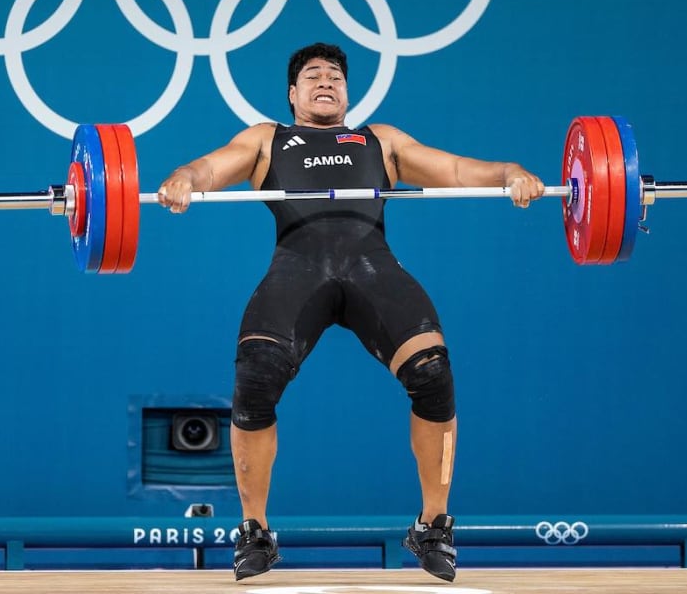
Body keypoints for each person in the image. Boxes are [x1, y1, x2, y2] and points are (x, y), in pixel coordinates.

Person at [156, 42, 545, 581]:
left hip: (372, 267)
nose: (325, 81)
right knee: (256, 377)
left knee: (433, 373)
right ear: (292, 93)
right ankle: (254, 530)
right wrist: (185, 180)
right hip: (298, 268)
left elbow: (454, 169)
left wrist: (510, 173)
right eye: (312, 75)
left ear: (346, 90)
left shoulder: (379, 141)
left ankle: (433, 524)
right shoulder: (266, 139)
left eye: (335, 76)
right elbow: (208, 168)